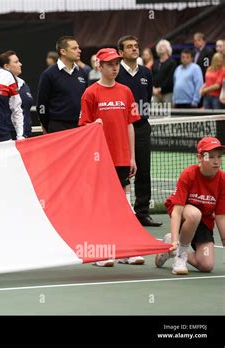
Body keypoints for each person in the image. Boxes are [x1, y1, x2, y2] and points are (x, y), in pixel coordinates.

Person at [78, 48, 140, 267]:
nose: (114, 67)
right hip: (99, 159)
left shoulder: (126, 92)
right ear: (100, 66)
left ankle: (126, 250)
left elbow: (130, 124)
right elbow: (84, 126)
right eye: (110, 64)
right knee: (103, 205)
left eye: (116, 63)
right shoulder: (90, 93)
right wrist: (93, 125)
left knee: (124, 206)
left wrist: (132, 157)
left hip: (122, 158)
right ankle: (101, 252)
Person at [156, 137, 225, 275]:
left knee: (206, 265)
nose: (216, 161)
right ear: (199, 157)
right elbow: (177, 212)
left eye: (219, 156)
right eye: (210, 157)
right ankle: (179, 255)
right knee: (194, 214)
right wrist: (176, 240)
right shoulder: (189, 174)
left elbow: (221, 216)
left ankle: (169, 251)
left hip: (204, 223)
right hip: (185, 216)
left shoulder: (222, 180)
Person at [116, 35, 162, 228]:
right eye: (129, 47)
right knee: (120, 171)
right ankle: (119, 212)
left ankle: (142, 213)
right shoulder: (115, 72)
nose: (134, 49)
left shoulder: (146, 73)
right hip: (120, 128)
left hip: (141, 127)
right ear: (121, 52)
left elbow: (147, 97)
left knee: (144, 171)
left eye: (136, 46)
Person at [37, 36, 87, 133]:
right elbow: (42, 104)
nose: (79, 50)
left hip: (80, 126)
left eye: (78, 47)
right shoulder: (48, 74)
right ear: (63, 51)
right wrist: (47, 126)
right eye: (74, 48)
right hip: (57, 127)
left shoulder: (82, 72)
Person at [0, 50, 33, 138]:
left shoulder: (23, 83)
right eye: (16, 62)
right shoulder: (0, 86)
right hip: (9, 136)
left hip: (26, 135)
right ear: (6, 66)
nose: (20, 64)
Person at [152, 39, 176, 106]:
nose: (160, 47)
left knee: (167, 114)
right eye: (159, 46)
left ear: (168, 48)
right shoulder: (156, 62)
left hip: (167, 93)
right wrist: (153, 88)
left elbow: (170, 78)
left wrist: (160, 89)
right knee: (154, 114)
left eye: (163, 46)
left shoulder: (172, 62)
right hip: (155, 93)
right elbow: (152, 76)